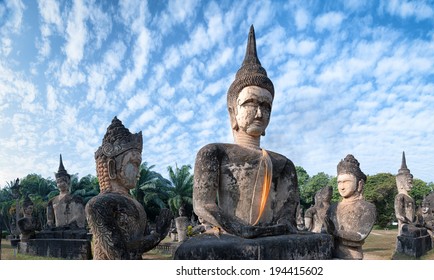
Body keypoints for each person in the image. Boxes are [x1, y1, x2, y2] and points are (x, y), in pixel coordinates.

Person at [193, 25, 299, 239]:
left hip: (269, 239)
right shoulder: (213, 153)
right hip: (233, 236)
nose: (260, 113)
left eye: (266, 106)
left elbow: (286, 219)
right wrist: (242, 229)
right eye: (250, 103)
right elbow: (203, 205)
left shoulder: (283, 164)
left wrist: (267, 232)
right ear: (233, 112)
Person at [85, 117, 172, 259]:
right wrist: (157, 235)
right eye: (134, 164)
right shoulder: (98, 205)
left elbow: (139, 246)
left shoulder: (137, 205)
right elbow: (120, 255)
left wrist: (157, 234)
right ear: (112, 167)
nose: (138, 172)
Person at [325, 154, 376, 259]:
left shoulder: (367, 208)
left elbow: (359, 235)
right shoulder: (332, 208)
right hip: (331, 254)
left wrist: (334, 232)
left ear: (359, 184)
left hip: (353, 256)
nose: (342, 187)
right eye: (339, 182)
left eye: (346, 182)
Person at [46, 155, 86, 229]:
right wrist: (50, 225)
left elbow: (80, 216)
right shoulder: (51, 202)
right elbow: (50, 220)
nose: (60, 184)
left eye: (63, 181)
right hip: (58, 231)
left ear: (68, 182)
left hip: (73, 230)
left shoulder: (76, 199)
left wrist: (69, 224)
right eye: (58, 182)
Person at [394, 152, 416, 235]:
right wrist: (408, 222)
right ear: (401, 182)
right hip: (404, 225)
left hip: (411, 224)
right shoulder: (400, 197)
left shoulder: (410, 198)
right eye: (409, 182)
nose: (411, 185)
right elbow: (398, 215)